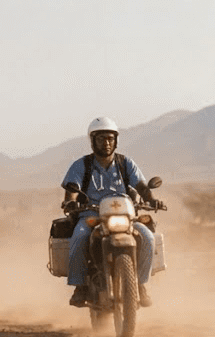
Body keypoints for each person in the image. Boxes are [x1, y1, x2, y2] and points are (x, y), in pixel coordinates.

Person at [61, 117, 163, 308]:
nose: (106, 143)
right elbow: (71, 191)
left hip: (126, 216)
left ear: (116, 140)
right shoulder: (82, 165)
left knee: (148, 238)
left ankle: (140, 285)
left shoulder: (126, 164)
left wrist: (151, 199)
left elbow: (141, 186)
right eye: (101, 139)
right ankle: (80, 286)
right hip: (91, 215)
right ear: (92, 141)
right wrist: (70, 203)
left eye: (110, 138)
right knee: (79, 236)